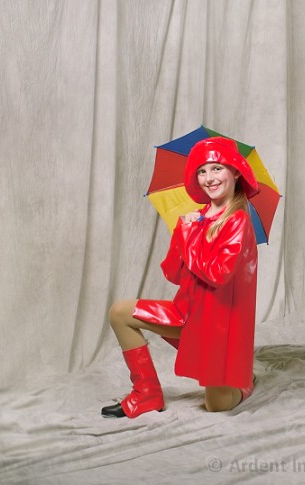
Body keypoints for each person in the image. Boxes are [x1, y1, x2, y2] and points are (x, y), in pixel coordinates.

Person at [101, 136, 259, 418]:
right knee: (119, 313)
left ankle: (244, 381)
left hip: (215, 327)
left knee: (217, 405)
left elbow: (217, 274)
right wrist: (181, 232)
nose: (209, 178)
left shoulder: (238, 221)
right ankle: (147, 393)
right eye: (202, 171)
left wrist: (190, 238)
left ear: (236, 172)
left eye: (217, 168)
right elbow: (173, 273)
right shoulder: (198, 217)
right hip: (185, 314)